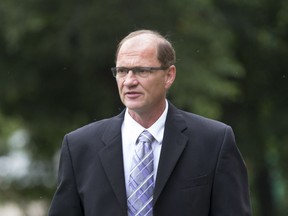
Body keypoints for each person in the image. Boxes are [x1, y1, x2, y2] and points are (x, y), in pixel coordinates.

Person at [48, 29, 252, 216]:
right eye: (121, 71)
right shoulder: (79, 147)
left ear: (169, 76)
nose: (129, 81)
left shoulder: (214, 141)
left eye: (141, 70)